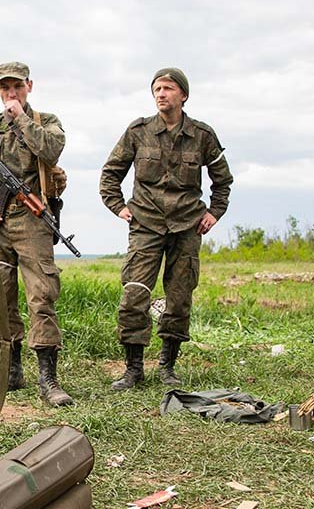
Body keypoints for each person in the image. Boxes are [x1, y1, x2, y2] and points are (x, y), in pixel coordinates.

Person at [99, 67, 233, 390]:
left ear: (183, 95)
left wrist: (214, 212)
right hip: (145, 224)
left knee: (179, 297)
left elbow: (223, 181)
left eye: (168, 88)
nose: (161, 94)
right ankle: (133, 369)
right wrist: (119, 207)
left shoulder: (202, 135)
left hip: (187, 226)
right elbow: (109, 175)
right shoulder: (138, 131)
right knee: (134, 294)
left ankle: (167, 366)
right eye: (157, 88)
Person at [0, 62, 73, 407]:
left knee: (41, 295)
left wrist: (20, 118)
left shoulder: (46, 123)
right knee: (0, 296)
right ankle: (10, 373)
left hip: (32, 219)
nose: (11, 93)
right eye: (5, 88)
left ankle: (48, 378)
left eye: (17, 87)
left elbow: (51, 151)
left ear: (29, 86)